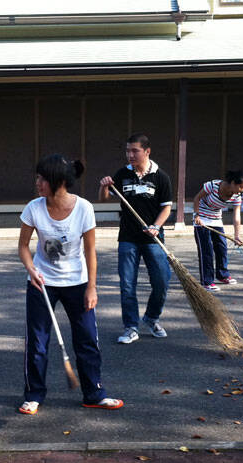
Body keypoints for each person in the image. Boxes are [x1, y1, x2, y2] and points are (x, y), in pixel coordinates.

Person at [18, 154, 123, 415]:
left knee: (87, 339)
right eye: (38, 177)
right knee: (37, 342)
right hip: (42, 282)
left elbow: (90, 252)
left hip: (78, 281)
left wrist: (92, 287)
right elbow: (23, 246)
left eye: (43, 178)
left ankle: (94, 393)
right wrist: (31, 268)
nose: (38, 183)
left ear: (59, 181)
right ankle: (33, 395)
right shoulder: (34, 208)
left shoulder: (84, 208)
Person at [98, 133, 173, 344]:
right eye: (127, 150)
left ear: (147, 151)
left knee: (161, 282)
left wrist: (156, 227)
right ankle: (130, 327)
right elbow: (104, 199)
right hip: (128, 238)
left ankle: (151, 318)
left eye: (135, 151)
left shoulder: (161, 177)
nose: (130, 155)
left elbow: (166, 208)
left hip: (153, 237)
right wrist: (104, 185)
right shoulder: (123, 174)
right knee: (127, 285)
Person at [191, 169, 243, 289]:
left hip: (216, 219)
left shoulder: (237, 196)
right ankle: (207, 282)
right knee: (206, 251)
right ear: (233, 182)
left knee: (222, 247)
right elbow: (197, 198)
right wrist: (196, 215)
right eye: (241, 187)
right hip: (201, 219)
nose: (242, 190)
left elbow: (236, 216)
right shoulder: (212, 186)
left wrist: (237, 236)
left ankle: (222, 275)